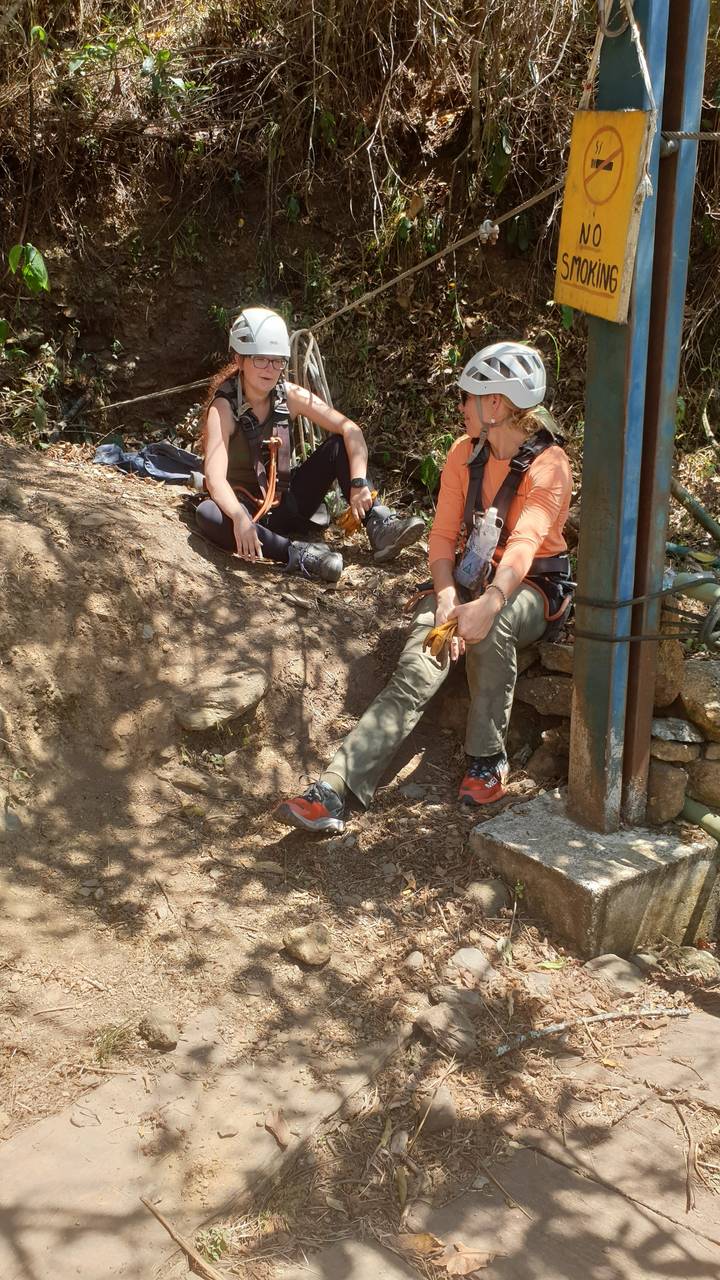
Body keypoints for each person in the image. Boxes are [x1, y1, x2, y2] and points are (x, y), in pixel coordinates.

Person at [276, 340, 573, 833]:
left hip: (530, 587)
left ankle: (486, 760)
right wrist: (447, 597)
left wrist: (489, 603)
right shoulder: (463, 454)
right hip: (466, 579)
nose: (461, 406)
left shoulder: (550, 466)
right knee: (418, 663)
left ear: (495, 404)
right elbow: (441, 537)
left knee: (491, 629)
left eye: (468, 397)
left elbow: (524, 545)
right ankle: (335, 787)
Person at [197, 306, 424, 581]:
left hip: (288, 502)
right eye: (260, 360)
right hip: (248, 510)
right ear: (239, 359)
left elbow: (351, 429)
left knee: (339, 445)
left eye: (277, 361)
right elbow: (214, 477)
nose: (270, 369)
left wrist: (359, 483)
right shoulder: (223, 409)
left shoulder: (289, 395)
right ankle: (298, 554)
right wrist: (239, 518)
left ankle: (378, 523)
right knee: (209, 514)